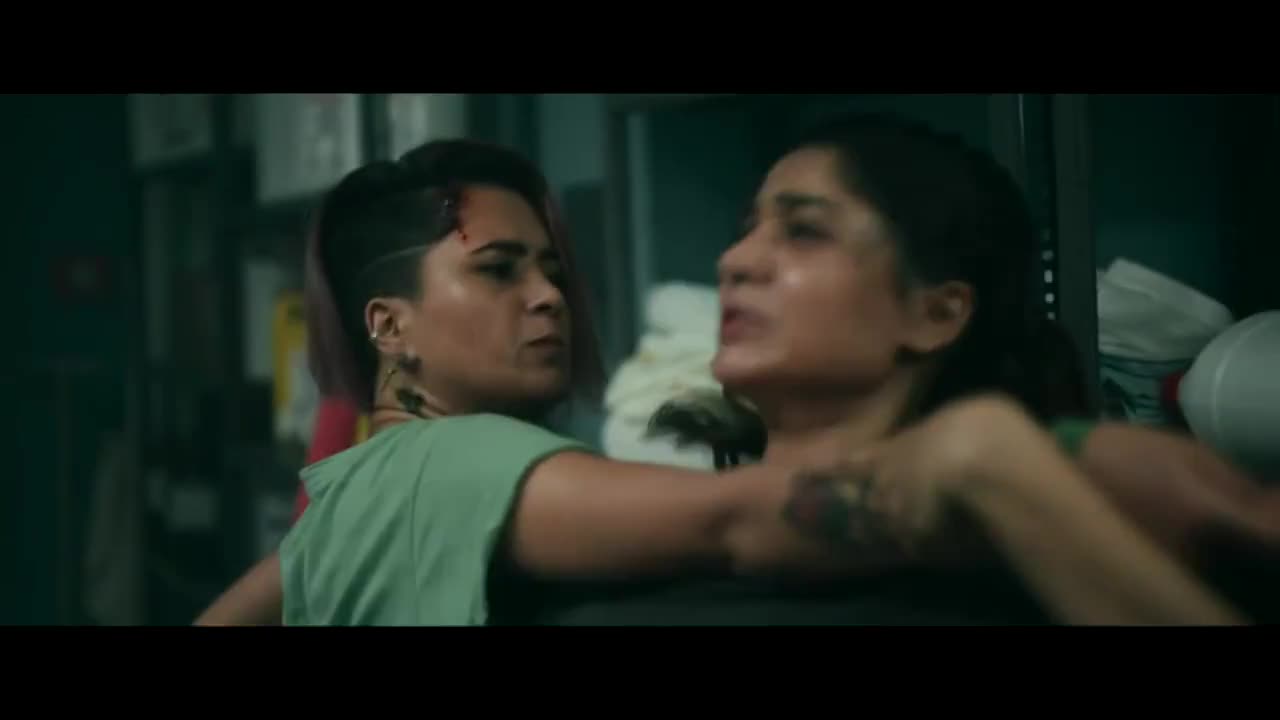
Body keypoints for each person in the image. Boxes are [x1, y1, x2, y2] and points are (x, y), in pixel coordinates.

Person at [198, 135, 1242, 628]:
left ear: (937, 311)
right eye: (500, 269)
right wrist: (1007, 460)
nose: (552, 297)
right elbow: (740, 524)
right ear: (388, 326)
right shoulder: (455, 461)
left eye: (802, 232)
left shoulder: (363, 493)